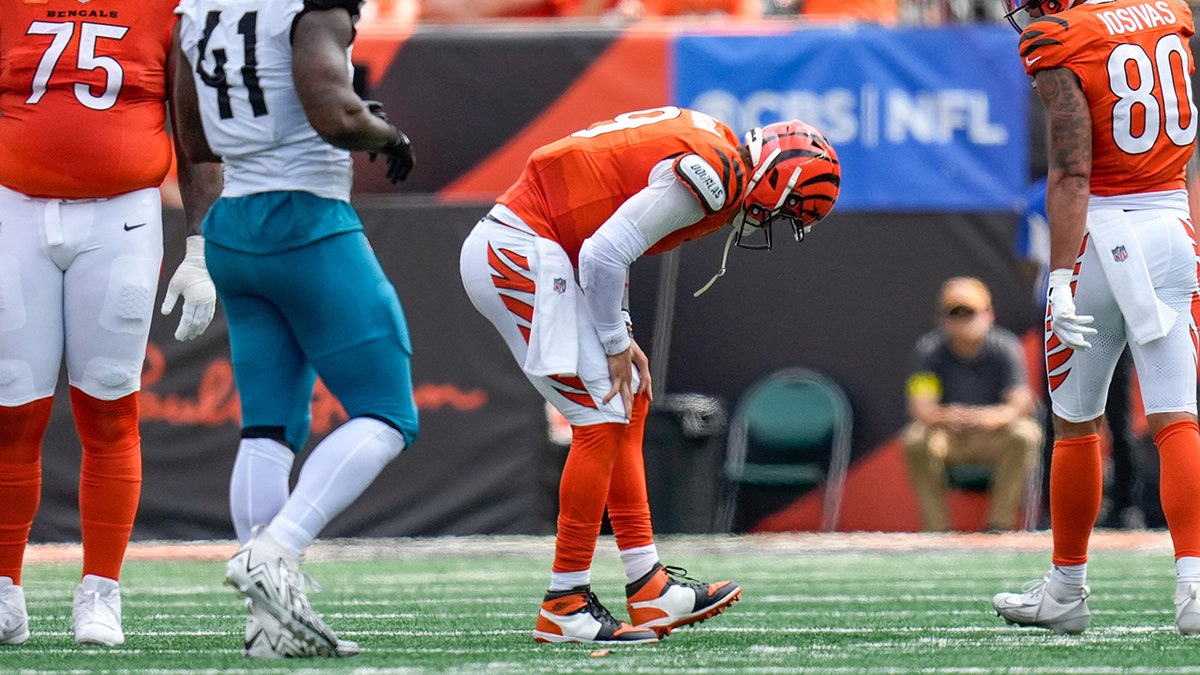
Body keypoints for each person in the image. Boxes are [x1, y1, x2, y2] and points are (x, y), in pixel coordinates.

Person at [459, 106, 841, 644]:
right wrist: (614, 340)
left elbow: (611, 236)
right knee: (597, 416)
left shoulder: (719, 147)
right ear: (779, 181)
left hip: (546, 248)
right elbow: (604, 253)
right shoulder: (718, 174)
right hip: (522, 247)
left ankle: (649, 587)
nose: (770, 222)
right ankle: (565, 602)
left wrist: (623, 333)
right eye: (785, 212)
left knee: (628, 399)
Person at [173, 0, 419, 658]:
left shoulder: (200, 9)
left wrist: (196, 240)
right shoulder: (306, 7)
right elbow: (333, 112)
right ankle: (274, 551)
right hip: (306, 222)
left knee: (267, 426)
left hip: (235, 226)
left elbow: (193, 138)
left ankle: (267, 625)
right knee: (388, 411)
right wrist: (386, 135)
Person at [0, 0, 223, 648]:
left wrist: (199, 245)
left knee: (110, 407)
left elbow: (194, 133)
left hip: (120, 217)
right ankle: (6, 588)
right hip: (15, 211)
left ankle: (100, 589)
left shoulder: (167, 10)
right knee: (12, 410)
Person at [993, 0, 1200, 636]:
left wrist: (1057, 278)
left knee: (1077, 425)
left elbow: (1073, 169)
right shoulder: (1171, 11)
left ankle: (1066, 588)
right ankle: (1194, 589)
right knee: (1176, 416)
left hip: (1098, 239)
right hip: (1171, 226)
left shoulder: (1059, 37)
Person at [1016, 176, 1149, 530]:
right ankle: (1117, 507)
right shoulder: (1115, 186)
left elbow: (1031, 261)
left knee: (1080, 414)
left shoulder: (1039, 196)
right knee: (1088, 415)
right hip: (1098, 305)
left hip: (1067, 307)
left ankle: (1092, 506)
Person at [903, 277, 1043, 532]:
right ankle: (937, 531)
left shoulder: (1005, 347)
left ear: (988, 314)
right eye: (954, 313)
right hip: (949, 437)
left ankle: (999, 526)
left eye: (969, 312)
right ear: (942, 318)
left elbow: (1021, 403)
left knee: (1025, 434)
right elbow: (920, 407)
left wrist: (987, 417)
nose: (962, 320)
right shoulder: (929, 349)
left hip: (992, 436)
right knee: (915, 438)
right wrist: (948, 416)